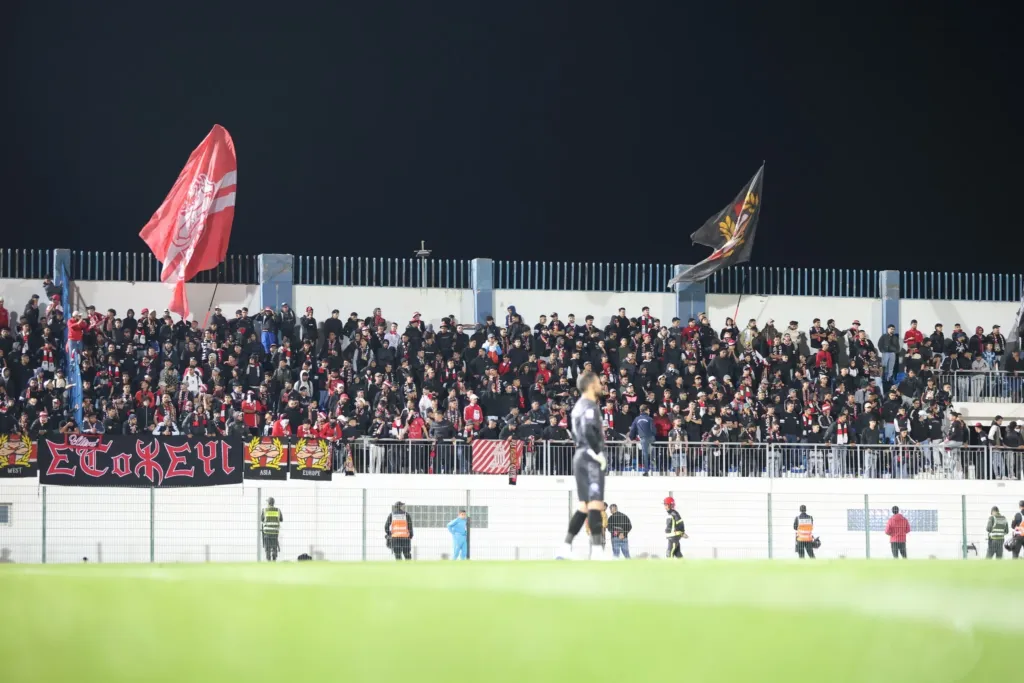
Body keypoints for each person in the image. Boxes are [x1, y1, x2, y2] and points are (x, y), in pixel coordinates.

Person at [556, 370, 610, 560]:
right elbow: (588, 430)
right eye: (597, 381)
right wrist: (598, 452)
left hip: (581, 455)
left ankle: (565, 546)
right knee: (596, 504)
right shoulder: (588, 405)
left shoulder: (579, 405)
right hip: (589, 456)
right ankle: (597, 552)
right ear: (590, 385)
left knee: (584, 506)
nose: (601, 384)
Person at [260, 497, 282, 562]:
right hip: (275, 532)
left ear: (268, 503)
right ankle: (274, 558)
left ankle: (268, 560)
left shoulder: (264, 510)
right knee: (274, 546)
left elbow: (261, 519)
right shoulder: (278, 510)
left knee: (267, 548)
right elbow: (281, 519)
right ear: (273, 503)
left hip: (267, 533)